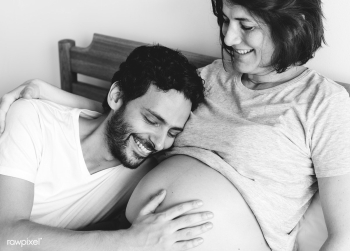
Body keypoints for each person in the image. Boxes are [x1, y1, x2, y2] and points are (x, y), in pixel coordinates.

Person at [1, 0, 350, 250]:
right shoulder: (210, 78)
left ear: (290, 26)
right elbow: (133, 116)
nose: (228, 38)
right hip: (130, 236)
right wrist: (44, 94)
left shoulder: (325, 104)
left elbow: (343, 235)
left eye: (245, 26)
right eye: (225, 20)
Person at [0, 45, 216, 251]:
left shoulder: (147, 173)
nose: (159, 143)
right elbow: (7, 238)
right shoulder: (32, 119)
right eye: (152, 120)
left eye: (172, 133)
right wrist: (127, 242)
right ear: (117, 97)